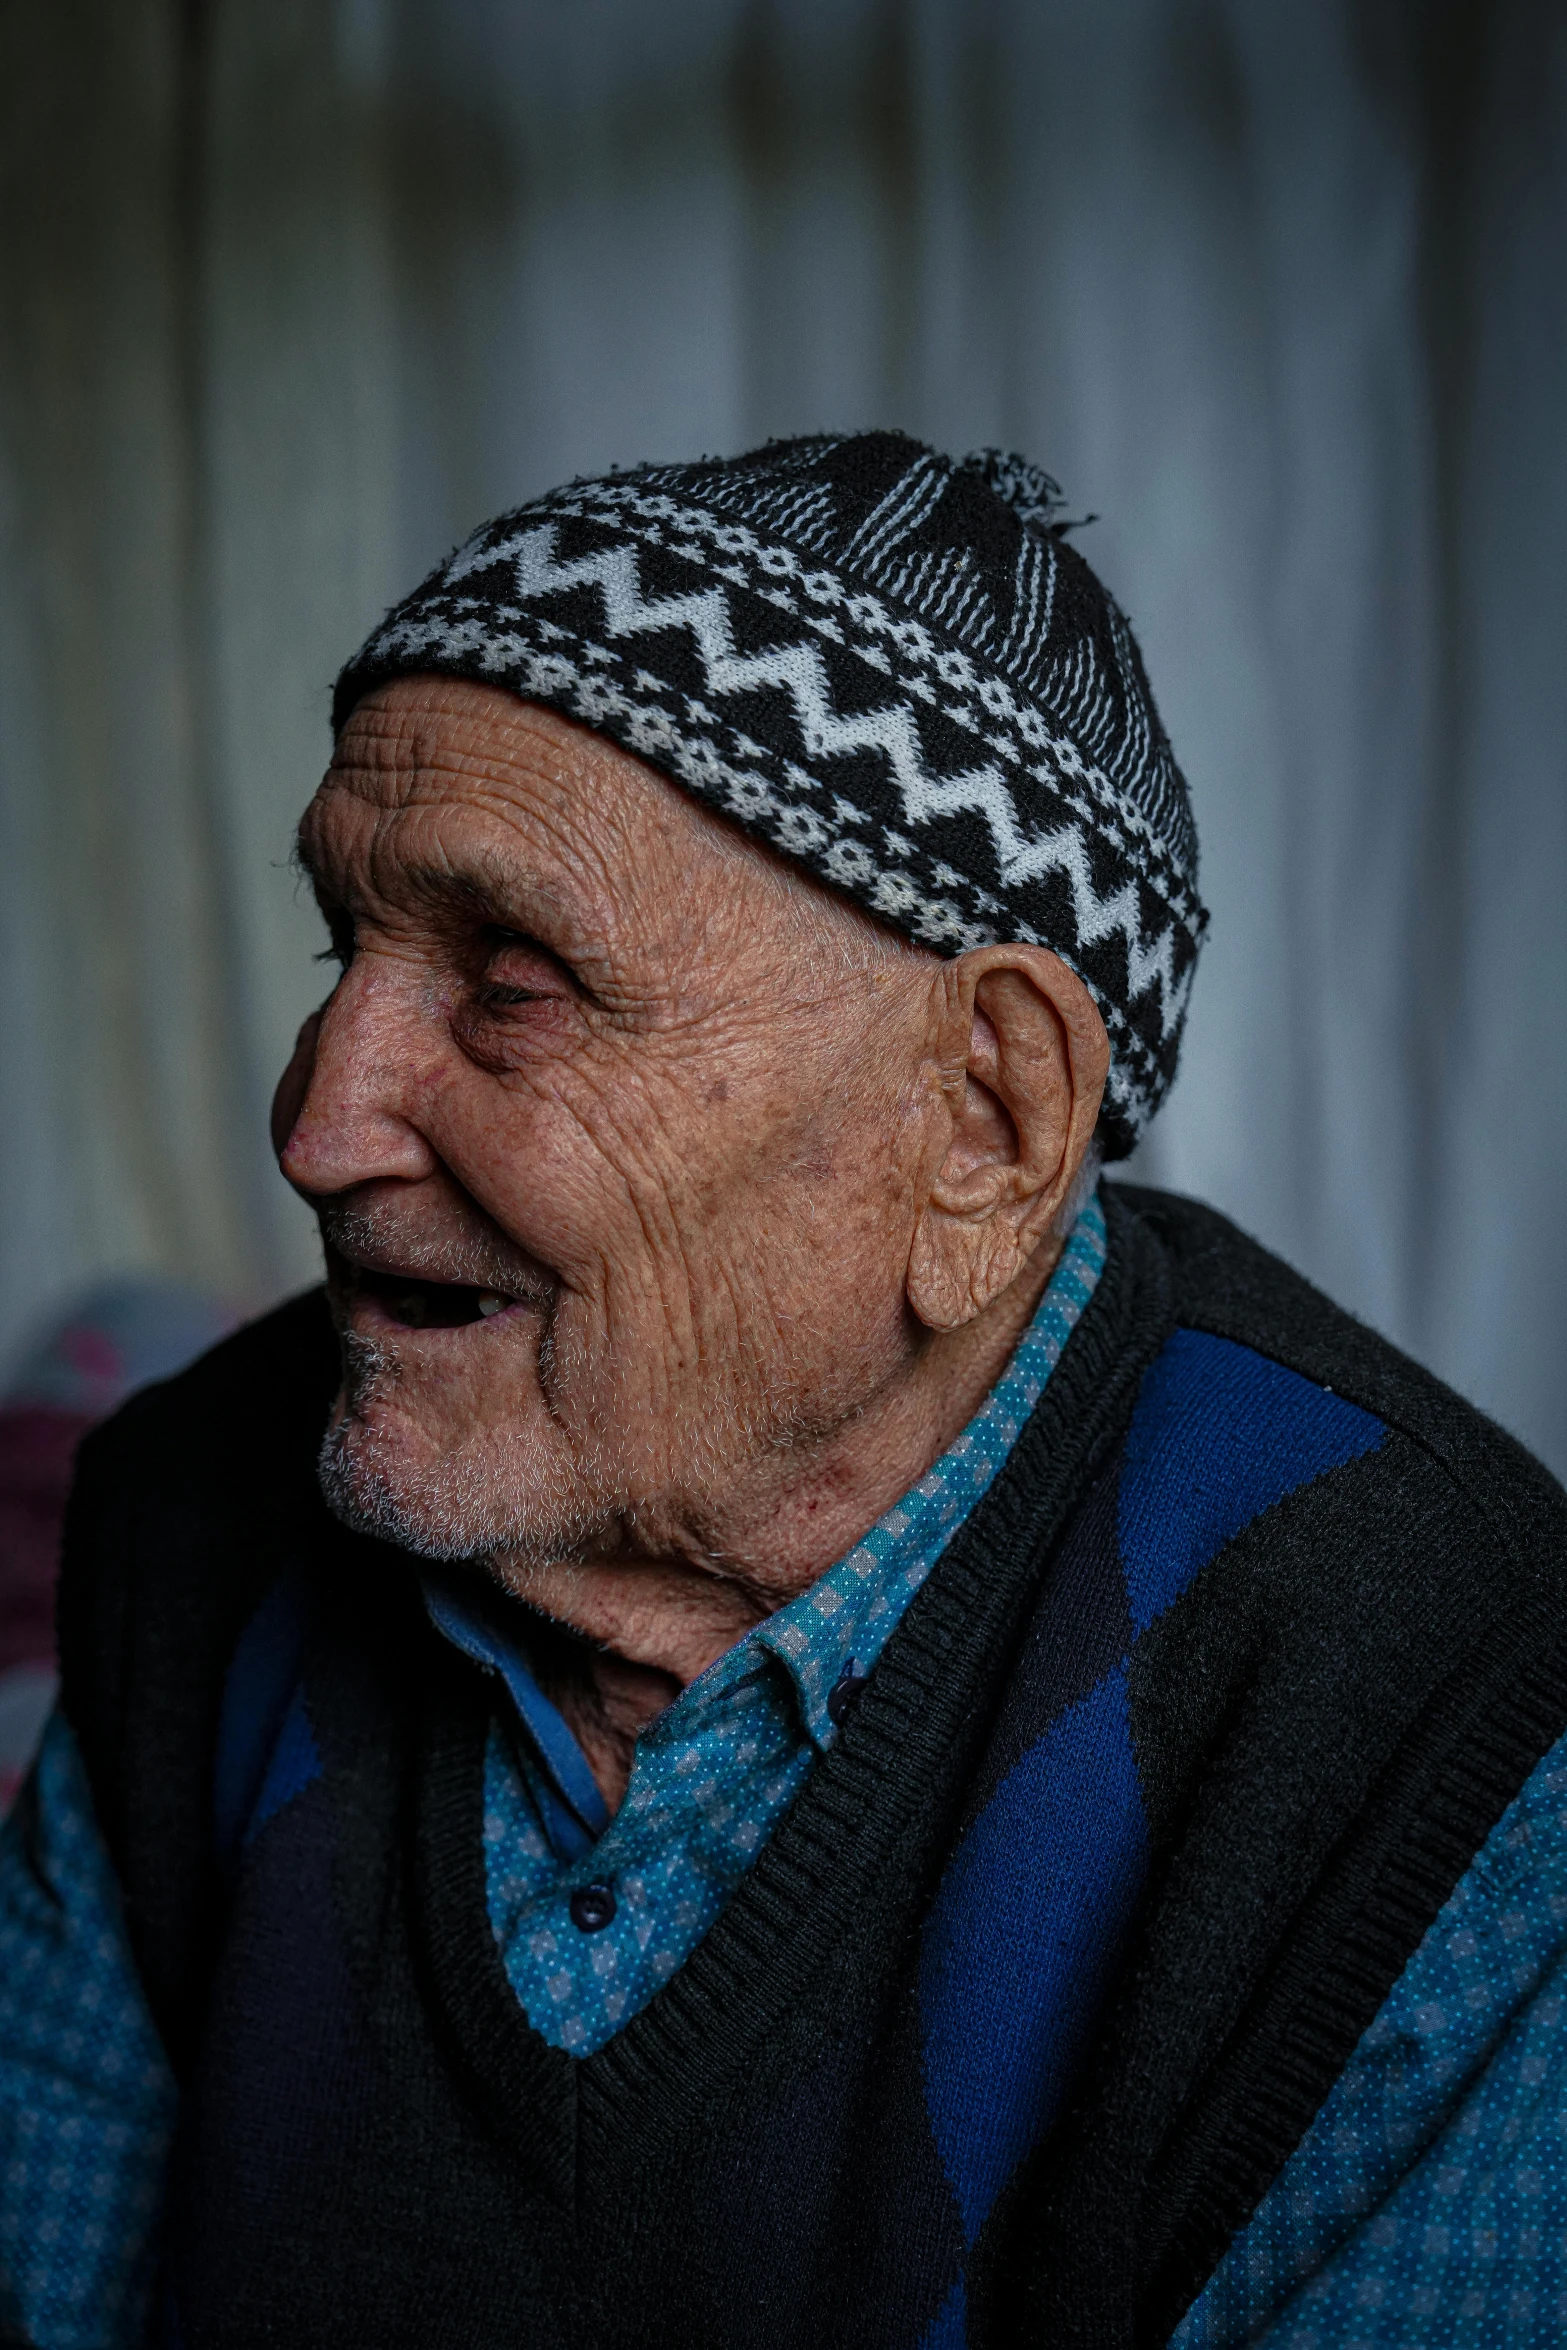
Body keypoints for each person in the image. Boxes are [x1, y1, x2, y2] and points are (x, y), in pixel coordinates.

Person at [3, 431, 1564, 2350]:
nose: (316, 1126)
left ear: (980, 1123)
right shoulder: (192, 1517)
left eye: (514, 981)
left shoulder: (1435, 1711)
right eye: (346, 943)